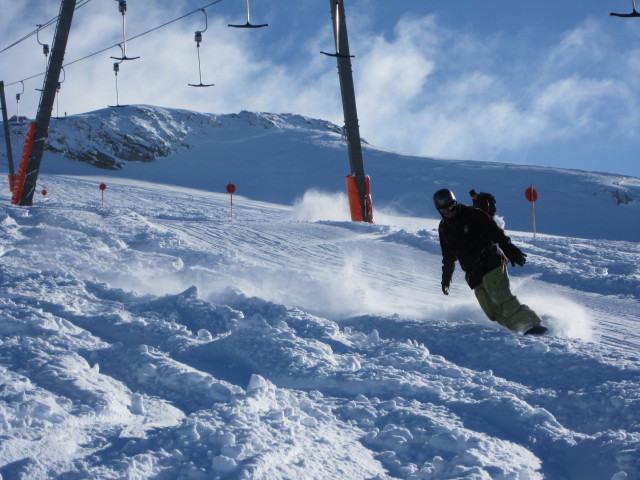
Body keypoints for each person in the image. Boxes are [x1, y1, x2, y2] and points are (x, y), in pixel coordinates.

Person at [433, 188, 547, 335]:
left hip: (490, 262)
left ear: (455, 203)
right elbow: (448, 256)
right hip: (473, 273)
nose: (449, 212)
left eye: (451, 207)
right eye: (444, 210)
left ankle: (533, 324)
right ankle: (521, 328)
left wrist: (509, 249)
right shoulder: (444, 228)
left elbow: (496, 233)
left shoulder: (472, 214)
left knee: (500, 297)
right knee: (491, 311)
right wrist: (446, 279)